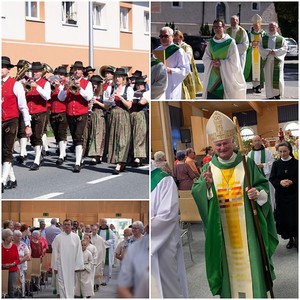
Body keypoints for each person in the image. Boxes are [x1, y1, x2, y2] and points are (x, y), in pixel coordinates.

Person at [192, 110, 278, 298]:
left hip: (248, 228)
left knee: (251, 261)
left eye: (225, 143)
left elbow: (263, 187)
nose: (222, 147)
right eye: (218, 144)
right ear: (212, 146)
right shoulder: (208, 168)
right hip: (222, 230)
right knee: (228, 266)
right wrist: (206, 187)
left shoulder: (247, 163)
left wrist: (258, 194)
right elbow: (198, 192)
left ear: (233, 141)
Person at [151, 166, 188, 298]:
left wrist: (147, 233)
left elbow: (167, 215)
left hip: (164, 244)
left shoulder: (163, 179)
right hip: (148, 243)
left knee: (168, 288)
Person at [2, 56, 32, 191]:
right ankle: (12, 179)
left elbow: (23, 106)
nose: (0, 69)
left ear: (8, 69)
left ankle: (2, 180)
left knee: (7, 150)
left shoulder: (16, 85)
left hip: (11, 120)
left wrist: (27, 124)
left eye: (3, 67)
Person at [58, 61, 93, 172]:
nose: (76, 71)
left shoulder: (87, 83)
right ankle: (80, 159)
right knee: (74, 137)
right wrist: (64, 88)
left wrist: (80, 88)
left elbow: (89, 97)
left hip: (81, 113)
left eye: (79, 69)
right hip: (69, 113)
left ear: (82, 72)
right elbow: (61, 98)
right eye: (75, 69)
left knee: (78, 136)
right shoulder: (68, 82)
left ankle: (77, 163)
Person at [202, 19, 247, 99]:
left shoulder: (230, 42)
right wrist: (211, 62)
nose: (217, 29)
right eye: (215, 27)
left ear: (223, 27)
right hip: (213, 75)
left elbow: (234, 60)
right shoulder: (211, 43)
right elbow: (205, 57)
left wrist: (221, 63)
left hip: (226, 74)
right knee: (212, 97)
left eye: (219, 27)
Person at [103, 68, 134, 175]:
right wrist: (110, 100)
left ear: (123, 78)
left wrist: (120, 97)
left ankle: (119, 164)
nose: (117, 79)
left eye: (119, 77)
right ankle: (121, 162)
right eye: (116, 77)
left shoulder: (128, 89)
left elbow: (129, 105)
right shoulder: (110, 89)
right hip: (113, 115)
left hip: (124, 115)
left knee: (123, 140)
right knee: (114, 139)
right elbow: (106, 106)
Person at [269, 142, 298, 249]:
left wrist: (292, 182)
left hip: (294, 194)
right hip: (281, 195)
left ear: (289, 151)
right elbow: (272, 178)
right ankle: (290, 239)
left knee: (295, 216)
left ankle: (297, 238)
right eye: (280, 151)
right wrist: (280, 183)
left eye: (285, 151)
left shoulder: (296, 163)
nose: (283, 153)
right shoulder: (276, 164)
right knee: (285, 218)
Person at [26, 61, 51, 170]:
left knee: (38, 135)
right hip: (29, 112)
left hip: (40, 112)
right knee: (32, 137)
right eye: (33, 71)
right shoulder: (28, 82)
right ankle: (39, 157)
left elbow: (47, 96)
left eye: (36, 71)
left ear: (41, 72)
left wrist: (37, 87)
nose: (34, 73)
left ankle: (36, 160)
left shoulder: (45, 83)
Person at [154, 26, 190, 99]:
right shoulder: (157, 51)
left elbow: (185, 69)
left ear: (172, 36)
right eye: (161, 36)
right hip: (158, 85)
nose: (163, 38)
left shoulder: (178, 51)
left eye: (166, 36)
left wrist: (170, 70)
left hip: (171, 85)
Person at [51, 219, 84, 298]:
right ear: (62, 226)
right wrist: (55, 266)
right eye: (65, 224)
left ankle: (70, 297)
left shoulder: (76, 237)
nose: (66, 226)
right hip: (61, 264)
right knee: (61, 283)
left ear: (71, 226)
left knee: (71, 283)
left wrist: (78, 265)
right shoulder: (58, 237)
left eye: (68, 224)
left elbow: (79, 252)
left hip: (72, 264)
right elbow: (55, 252)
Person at [259, 22, 288, 99]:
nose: (271, 28)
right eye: (270, 27)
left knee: (278, 78)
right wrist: (268, 51)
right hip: (267, 61)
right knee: (268, 78)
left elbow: (285, 48)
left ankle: (277, 94)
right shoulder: (264, 38)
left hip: (277, 60)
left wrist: (275, 51)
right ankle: (270, 95)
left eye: (273, 27)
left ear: (276, 28)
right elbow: (260, 48)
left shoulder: (281, 39)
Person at [247, 135, 275, 209]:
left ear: (261, 141)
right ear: (252, 143)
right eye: (255, 141)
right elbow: (248, 166)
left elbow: (273, 163)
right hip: (255, 179)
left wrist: (264, 165)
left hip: (266, 178)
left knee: (269, 195)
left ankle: (271, 210)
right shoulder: (250, 154)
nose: (257, 142)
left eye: (258, 140)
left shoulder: (267, 152)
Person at [173, 30, 203, 99]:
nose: (176, 41)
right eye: (174, 39)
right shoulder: (171, 47)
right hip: (175, 74)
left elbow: (187, 59)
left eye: (177, 39)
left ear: (181, 38)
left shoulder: (186, 47)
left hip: (185, 74)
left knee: (185, 95)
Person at [84, 75, 107, 165]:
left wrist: (97, 102)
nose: (94, 85)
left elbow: (106, 106)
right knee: (91, 135)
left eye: (96, 84)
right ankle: (96, 154)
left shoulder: (103, 93)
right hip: (91, 113)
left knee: (98, 135)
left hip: (100, 113)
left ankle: (96, 156)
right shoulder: (90, 92)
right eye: (93, 83)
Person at [49, 66, 69, 165]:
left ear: (65, 76)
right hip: (53, 111)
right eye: (58, 75)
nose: (59, 77)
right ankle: (63, 153)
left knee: (62, 133)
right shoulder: (53, 85)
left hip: (63, 111)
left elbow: (64, 96)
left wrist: (60, 86)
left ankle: (61, 155)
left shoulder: (66, 85)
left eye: (62, 75)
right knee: (56, 134)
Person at [244, 14, 267, 93]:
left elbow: (266, 43)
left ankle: (259, 86)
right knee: (253, 70)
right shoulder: (250, 34)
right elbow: (246, 43)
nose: (255, 27)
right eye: (254, 25)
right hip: (252, 53)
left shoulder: (263, 34)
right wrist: (251, 44)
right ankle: (254, 85)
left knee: (260, 70)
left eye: (257, 25)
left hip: (261, 54)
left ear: (259, 25)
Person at [130, 76, 150, 167]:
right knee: (132, 136)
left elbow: (142, 102)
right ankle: (133, 156)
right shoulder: (134, 92)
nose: (139, 86)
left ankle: (138, 158)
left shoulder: (147, 93)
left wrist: (133, 99)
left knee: (140, 136)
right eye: (137, 85)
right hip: (132, 114)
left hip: (141, 114)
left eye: (141, 84)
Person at [2, 228, 20, 298]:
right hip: (2, 270)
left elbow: (17, 259)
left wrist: (13, 264)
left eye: (12, 235)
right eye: (10, 236)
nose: (12, 237)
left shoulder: (14, 247)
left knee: (11, 288)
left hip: (12, 270)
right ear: (5, 237)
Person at [98, 218, 116, 286]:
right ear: (100, 223)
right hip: (99, 250)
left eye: (105, 222)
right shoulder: (97, 231)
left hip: (107, 250)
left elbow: (113, 240)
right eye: (102, 222)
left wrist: (104, 243)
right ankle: (98, 280)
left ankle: (105, 280)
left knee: (106, 266)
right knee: (99, 265)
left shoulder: (110, 231)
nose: (104, 223)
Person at [13, 230, 30, 298]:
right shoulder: (11, 244)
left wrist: (19, 261)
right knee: (13, 280)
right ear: (13, 237)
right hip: (12, 265)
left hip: (22, 265)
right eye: (17, 236)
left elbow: (27, 255)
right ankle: (12, 293)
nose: (19, 237)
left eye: (20, 236)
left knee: (22, 280)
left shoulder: (23, 245)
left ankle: (22, 294)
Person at [90, 224, 106, 292]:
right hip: (90, 257)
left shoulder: (100, 239)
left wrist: (103, 258)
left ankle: (97, 284)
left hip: (99, 257)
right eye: (93, 229)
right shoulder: (88, 237)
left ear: (97, 230)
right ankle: (91, 285)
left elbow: (103, 249)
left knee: (98, 271)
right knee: (90, 272)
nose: (94, 231)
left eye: (95, 230)